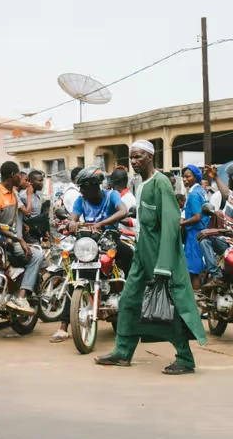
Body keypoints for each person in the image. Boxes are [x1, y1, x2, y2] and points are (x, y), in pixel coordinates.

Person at [94, 140, 207, 374]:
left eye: (138, 157)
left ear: (150, 157)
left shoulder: (161, 183)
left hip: (160, 257)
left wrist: (164, 266)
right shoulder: (140, 184)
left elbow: (170, 225)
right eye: (131, 158)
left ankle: (185, 358)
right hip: (141, 254)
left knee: (169, 307)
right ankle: (122, 352)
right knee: (128, 301)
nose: (134, 162)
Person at [51, 166, 131, 343]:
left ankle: (133, 299)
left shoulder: (111, 196)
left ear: (94, 186)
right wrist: (71, 223)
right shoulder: (81, 200)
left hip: (110, 239)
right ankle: (64, 326)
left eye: (83, 187)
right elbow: (74, 217)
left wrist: (102, 223)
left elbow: (122, 211)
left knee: (129, 256)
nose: (81, 191)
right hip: (88, 242)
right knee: (74, 273)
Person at [0, 161, 43, 315]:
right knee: (37, 256)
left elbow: (23, 213)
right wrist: (20, 240)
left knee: (35, 253)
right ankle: (20, 296)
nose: (21, 176)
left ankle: (19, 294)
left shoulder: (13, 194)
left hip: (10, 240)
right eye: (19, 173)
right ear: (12, 175)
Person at [179, 165, 209, 290]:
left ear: (195, 177)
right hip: (202, 233)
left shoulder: (193, 195)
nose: (185, 179)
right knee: (198, 269)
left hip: (194, 234)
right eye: (184, 177)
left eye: (188, 176)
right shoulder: (202, 192)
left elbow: (197, 217)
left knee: (193, 272)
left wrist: (181, 224)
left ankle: (196, 301)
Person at [109, 166, 139, 233]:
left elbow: (136, 222)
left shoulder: (129, 199)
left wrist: (112, 219)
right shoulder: (116, 197)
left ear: (113, 183)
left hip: (128, 239)